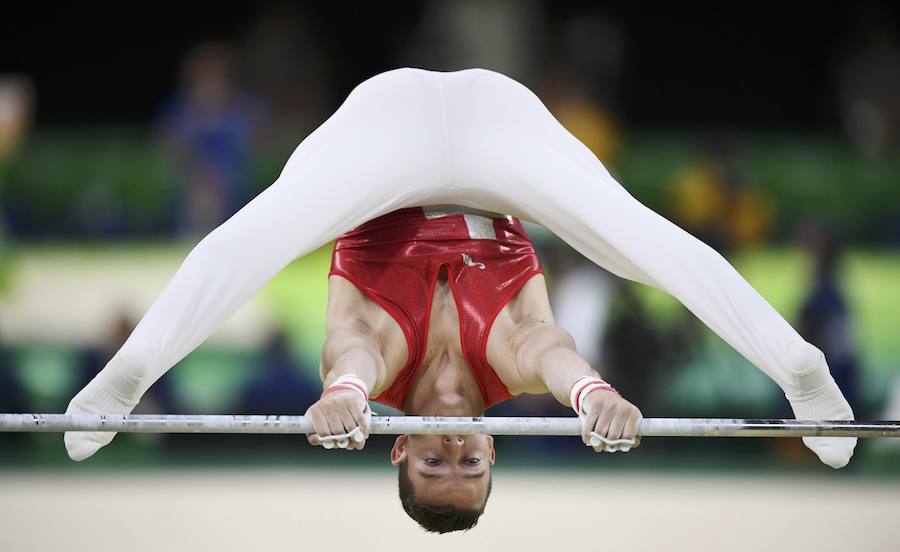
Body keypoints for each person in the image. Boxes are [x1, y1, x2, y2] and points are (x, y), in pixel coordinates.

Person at [65, 68, 856, 532]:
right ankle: (797, 363)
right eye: (468, 460)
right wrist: (594, 393)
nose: (450, 442)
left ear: (398, 447)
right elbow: (552, 350)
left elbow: (355, 351)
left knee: (263, 235)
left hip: (383, 132)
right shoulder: (510, 362)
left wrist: (342, 394)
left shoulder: (378, 368)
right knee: (634, 239)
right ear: (492, 448)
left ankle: (129, 371)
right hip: (501, 130)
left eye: (433, 459)